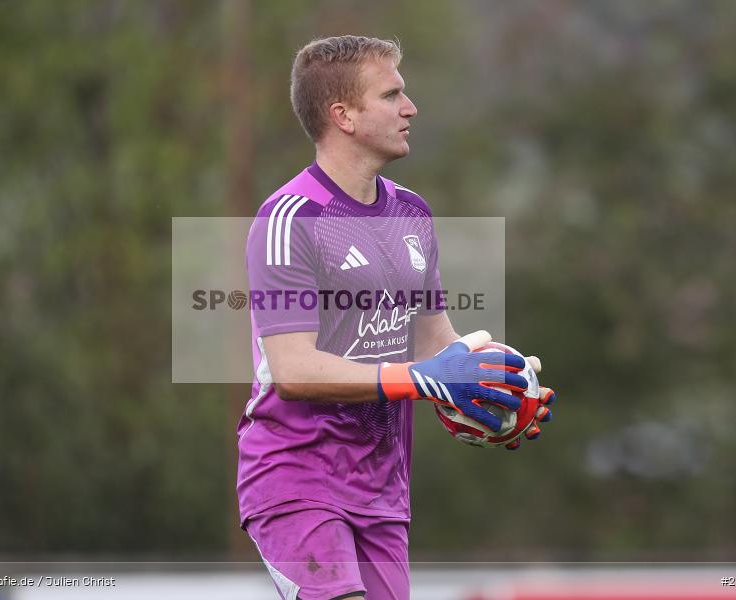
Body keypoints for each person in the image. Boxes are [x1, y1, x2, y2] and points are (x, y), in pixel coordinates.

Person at [237, 35, 555, 600]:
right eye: (392, 95)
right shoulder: (288, 220)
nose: (410, 108)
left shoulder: (411, 212)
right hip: (296, 479)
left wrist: (494, 390)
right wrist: (424, 379)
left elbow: (436, 343)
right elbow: (292, 369)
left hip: (383, 489)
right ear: (344, 116)